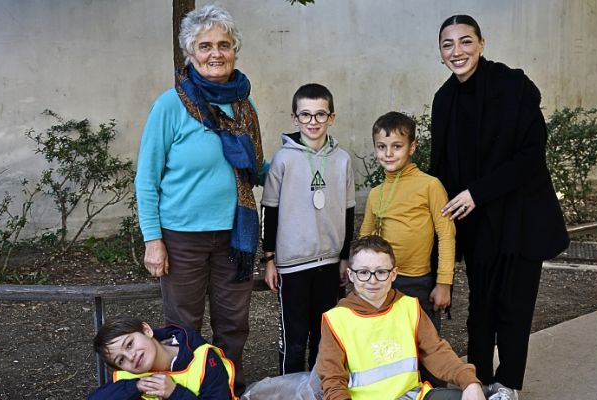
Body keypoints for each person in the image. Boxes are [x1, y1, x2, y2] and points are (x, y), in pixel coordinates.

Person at [429, 14, 570, 400]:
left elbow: (530, 156)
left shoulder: (514, 86)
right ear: (440, 53)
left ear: (482, 44)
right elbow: (441, 168)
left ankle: (508, 383)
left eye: (466, 41)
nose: (457, 51)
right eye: (448, 44)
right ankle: (479, 380)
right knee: (481, 307)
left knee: (515, 306)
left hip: (520, 217)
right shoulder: (444, 101)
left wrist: (478, 192)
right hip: (477, 225)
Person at [134, 4, 265, 395]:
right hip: (182, 238)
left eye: (224, 44)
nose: (215, 53)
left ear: (235, 50)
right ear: (191, 54)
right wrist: (152, 240)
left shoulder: (243, 104)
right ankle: (184, 392)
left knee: (232, 324)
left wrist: (301, 156)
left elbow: (255, 166)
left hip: (233, 237)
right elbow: (146, 178)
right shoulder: (170, 105)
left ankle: (227, 390)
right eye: (205, 45)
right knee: (183, 326)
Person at [316, 235, 485, 400]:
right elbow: (333, 380)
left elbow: (437, 352)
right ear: (351, 275)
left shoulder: (409, 306)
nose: (372, 280)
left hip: (414, 395)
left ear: (394, 274)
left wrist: (470, 382)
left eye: (381, 272)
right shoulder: (336, 320)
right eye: (363, 272)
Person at [261, 83, 355, 375]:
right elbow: (270, 212)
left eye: (319, 115)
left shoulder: (342, 160)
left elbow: (349, 211)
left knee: (324, 337)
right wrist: (269, 259)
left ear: (332, 117)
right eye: (305, 115)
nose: (312, 122)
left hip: (329, 264)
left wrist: (344, 256)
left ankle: (318, 390)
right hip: (292, 265)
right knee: (294, 340)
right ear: (294, 118)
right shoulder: (283, 160)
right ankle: (289, 389)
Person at [359, 111, 455, 333]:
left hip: (418, 282)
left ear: (412, 147)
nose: (388, 153)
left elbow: (447, 235)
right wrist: (361, 275)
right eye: (382, 147)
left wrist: (443, 283)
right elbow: (365, 238)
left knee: (424, 346)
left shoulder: (430, 186)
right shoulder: (376, 193)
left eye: (397, 146)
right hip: (381, 280)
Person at [87, 317, 235, 400]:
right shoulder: (129, 376)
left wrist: (175, 393)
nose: (130, 357)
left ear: (147, 330)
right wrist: (135, 387)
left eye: (130, 344)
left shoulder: (204, 360)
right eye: (121, 360)